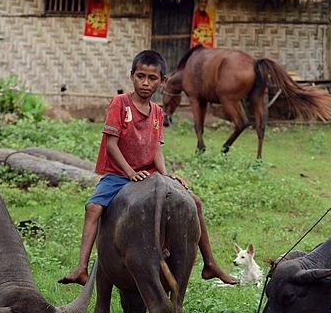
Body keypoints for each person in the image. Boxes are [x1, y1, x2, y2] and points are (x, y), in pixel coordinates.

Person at [60, 49, 237, 286]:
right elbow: (111, 144)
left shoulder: (157, 112)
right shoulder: (120, 103)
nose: (145, 83)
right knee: (93, 207)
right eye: (140, 76)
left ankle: (210, 263)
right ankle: (81, 267)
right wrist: (130, 173)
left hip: (150, 173)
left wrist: (166, 175)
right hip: (119, 174)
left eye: (152, 78)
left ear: (162, 81)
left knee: (194, 202)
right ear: (132, 75)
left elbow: (156, 149)